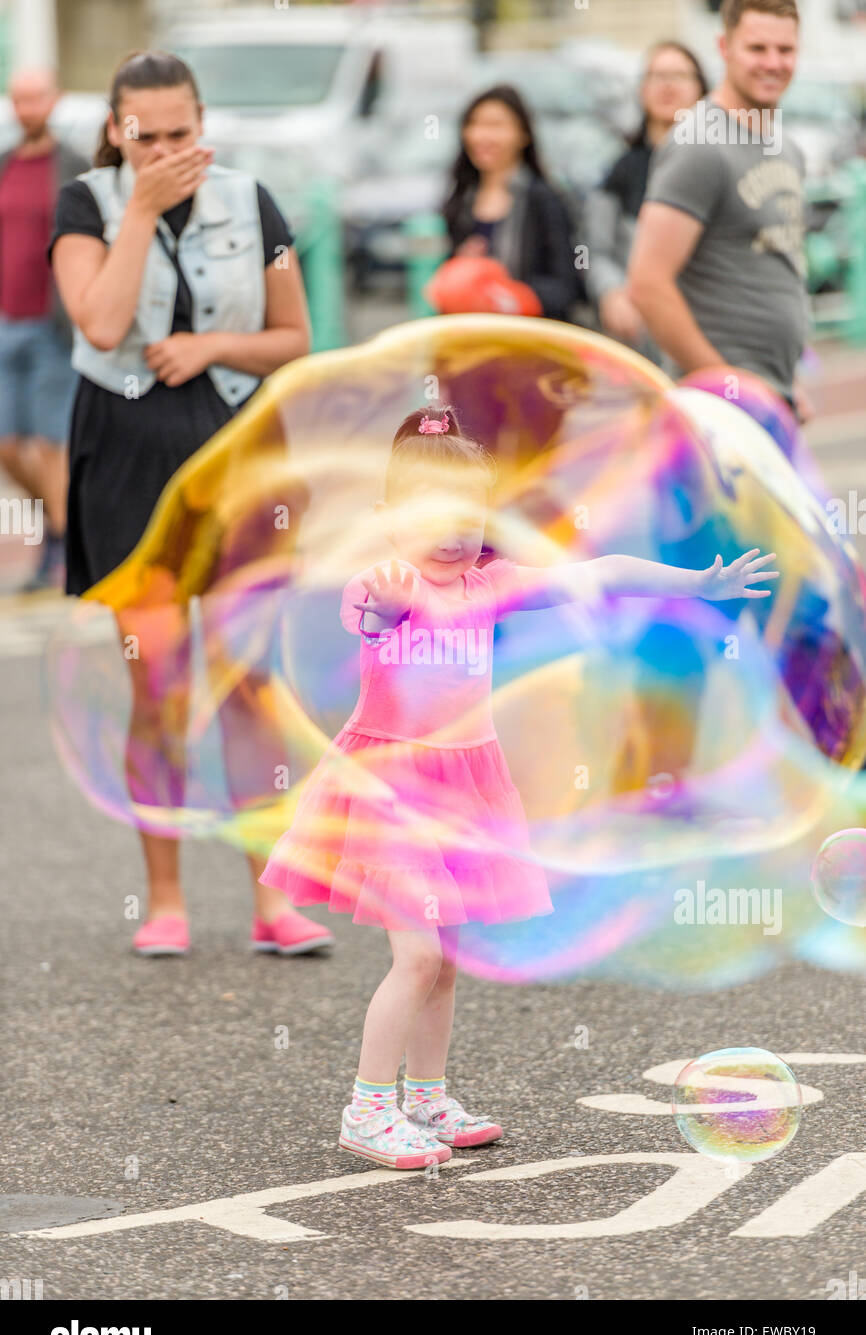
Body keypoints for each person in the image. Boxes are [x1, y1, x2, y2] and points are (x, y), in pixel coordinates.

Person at [258, 405, 779, 1169]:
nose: (453, 531)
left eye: (470, 513)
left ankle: (427, 1095)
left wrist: (699, 582)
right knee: (418, 956)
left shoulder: (489, 584)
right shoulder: (390, 582)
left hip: (465, 787)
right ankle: (368, 1108)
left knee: (449, 956)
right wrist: (385, 607)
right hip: (390, 789)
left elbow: (599, 574)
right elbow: (376, 612)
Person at [49, 51, 329, 959]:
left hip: (239, 446)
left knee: (251, 684)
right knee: (160, 684)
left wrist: (212, 345)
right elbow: (98, 321)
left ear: (201, 122)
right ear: (117, 130)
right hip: (128, 452)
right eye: (146, 135)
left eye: (181, 132)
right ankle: (164, 901)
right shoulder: (86, 204)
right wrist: (138, 208)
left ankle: (271, 901)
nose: (167, 149)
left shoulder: (253, 203)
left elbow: (295, 339)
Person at [628, 0, 812, 422]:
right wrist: (731, 388)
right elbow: (648, 284)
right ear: (724, 46)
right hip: (720, 413)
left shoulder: (787, 149)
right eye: (757, 48)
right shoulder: (699, 144)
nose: (773, 63)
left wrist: (789, 382)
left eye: (785, 50)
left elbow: (773, 267)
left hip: (774, 397)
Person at [0, 68, 87, 591]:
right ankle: (61, 531)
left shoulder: (72, 165)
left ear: (53, 100)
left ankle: (63, 550)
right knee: (8, 445)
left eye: (36, 98)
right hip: (6, 322)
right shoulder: (6, 164)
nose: (28, 107)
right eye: (20, 99)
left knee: (53, 446)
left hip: (53, 323)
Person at [584, 42, 708, 361]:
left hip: (710, 336)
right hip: (642, 346)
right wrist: (610, 293)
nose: (667, 85)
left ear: (701, 89)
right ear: (641, 89)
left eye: (679, 76)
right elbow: (592, 251)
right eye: (657, 76)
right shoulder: (618, 173)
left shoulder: (719, 168)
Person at [441, 85, 579, 322]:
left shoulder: (545, 200)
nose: (483, 136)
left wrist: (500, 292)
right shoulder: (459, 201)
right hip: (470, 341)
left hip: (530, 341)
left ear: (523, 134)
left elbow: (567, 288)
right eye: (474, 124)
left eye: (496, 125)